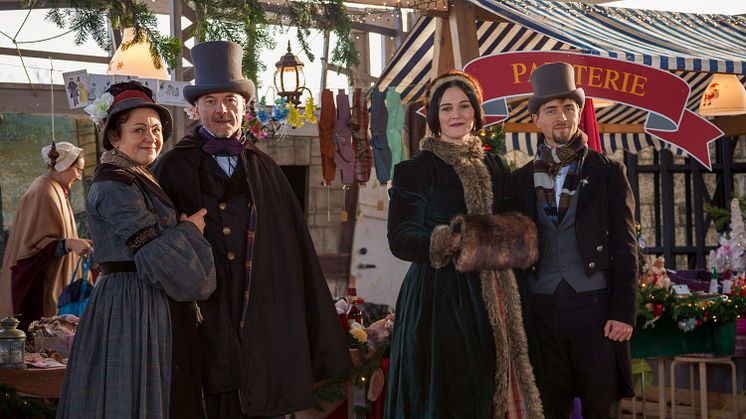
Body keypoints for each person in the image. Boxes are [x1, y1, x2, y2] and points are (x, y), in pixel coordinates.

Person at [152, 40, 351, 418]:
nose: (222, 110)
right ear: (195, 109)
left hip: (258, 314)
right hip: (200, 317)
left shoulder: (266, 168)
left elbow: (294, 252)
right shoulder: (172, 167)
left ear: (245, 107)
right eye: (211, 102)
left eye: (231, 100)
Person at [385, 69, 543, 418]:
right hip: (441, 299)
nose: (456, 115)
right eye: (446, 108)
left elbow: (517, 226)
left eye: (464, 106)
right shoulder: (417, 169)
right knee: (452, 392)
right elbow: (400, 239)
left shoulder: (497, 165)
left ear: (476, 112)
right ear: (434, 116)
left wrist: (509, 235)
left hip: (503, 297)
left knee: (498, 389)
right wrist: (454, 241)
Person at [57, 81, 216, 418]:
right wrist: (190, 231)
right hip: (133, 307)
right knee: (135, 399)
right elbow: (158, 258)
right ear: (115, 137)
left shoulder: (136, 176)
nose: (151, 137)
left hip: (147, 302)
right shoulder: (116, 184)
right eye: (139, 129)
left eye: (156, 129)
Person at [511, 62, 638, 418]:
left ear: (579, 113)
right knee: (549, 408)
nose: (562, 116)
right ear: (537, 119)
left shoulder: (608, 172)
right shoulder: (519, 180)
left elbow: (626, 248)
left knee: (602, 407)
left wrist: (623, 311)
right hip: (540, 308)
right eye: (551, 110)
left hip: (595, 307)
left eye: (569, 108)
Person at [0, 142, 91, 331]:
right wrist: (68, 243)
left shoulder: (56, 188)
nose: (79, 177)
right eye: (77, 170)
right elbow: (30, 250)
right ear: (63, 166)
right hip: (40, 289)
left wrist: (75, 243)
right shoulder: (43, 190)